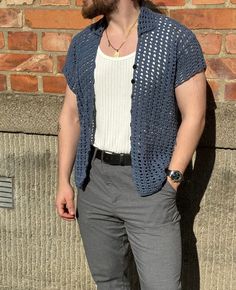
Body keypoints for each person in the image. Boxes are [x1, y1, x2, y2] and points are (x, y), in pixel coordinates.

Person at [55, 0, 207, 289]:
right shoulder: (83, 43)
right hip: (93, 184)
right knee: (109, 282)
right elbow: (71, 116)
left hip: (149, 187)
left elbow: (195, 116)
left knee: (162, 284)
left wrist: (172, 179)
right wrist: (63, 180)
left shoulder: (173, 38)